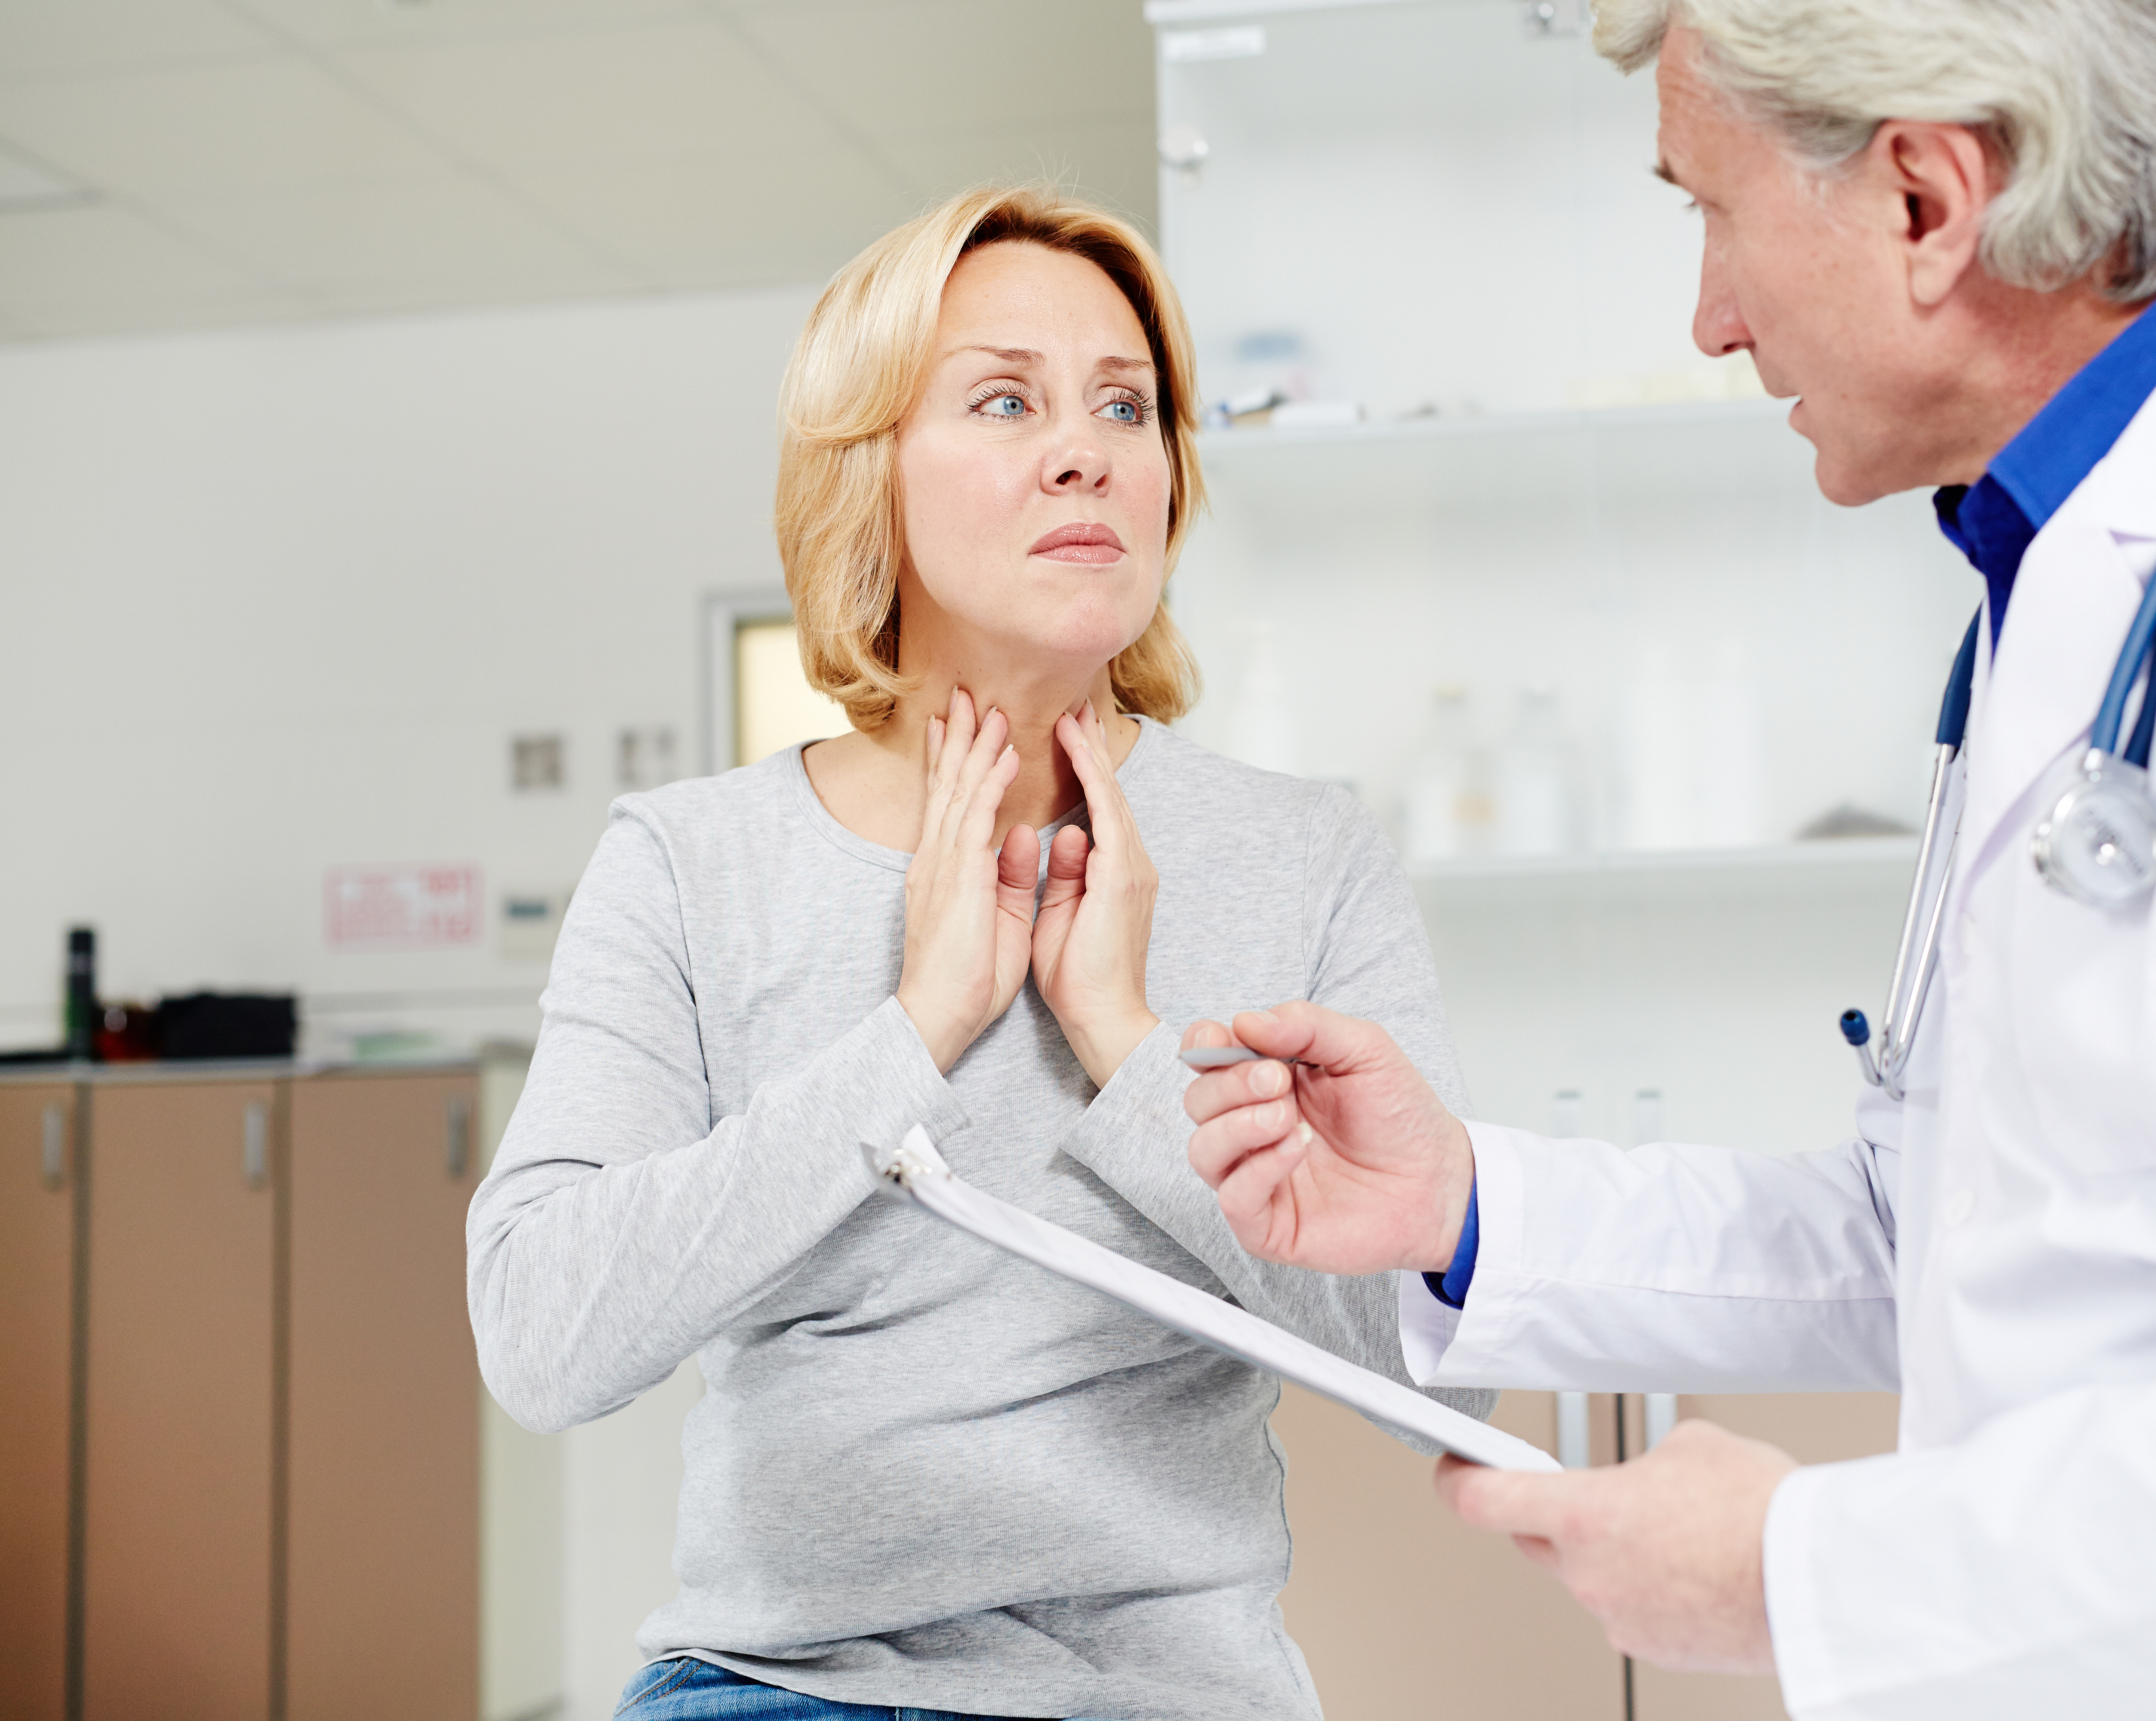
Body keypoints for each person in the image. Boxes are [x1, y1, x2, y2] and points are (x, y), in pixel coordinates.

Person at [1178, 2, 2156, 1716]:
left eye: (1712, 208)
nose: (1708, 319)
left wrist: (1805, 1574)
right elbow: (1954, 1239)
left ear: (1926, 202)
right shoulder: (2066, 586)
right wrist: (1465, 1205)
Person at [466, 184, 1489, 1721]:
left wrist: (1136, 1054)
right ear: (867, 479)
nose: (1086, 449)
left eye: (1126, 406)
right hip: (778, 1685)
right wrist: (912, 1037)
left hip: (1171, 1692)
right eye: (1006, 399)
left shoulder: (1306, 857)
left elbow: (1444, 1379)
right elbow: (543, 1341)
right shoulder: (689, 863)